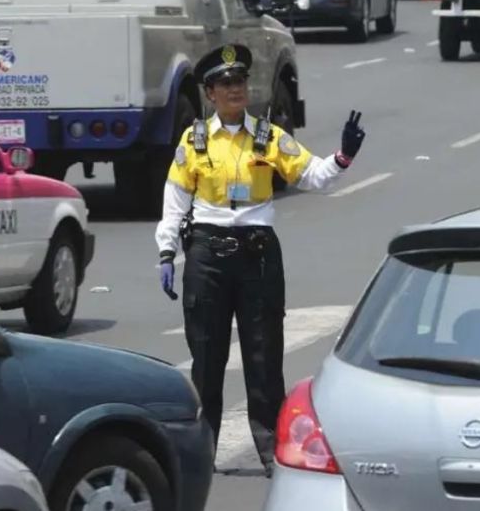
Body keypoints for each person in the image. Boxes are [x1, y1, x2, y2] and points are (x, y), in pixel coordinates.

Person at [154, 43, 365, 477]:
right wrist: (167, 251)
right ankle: (203, 450)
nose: (236, 89)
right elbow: (175, 201)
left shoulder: (268, 136)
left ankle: (271, 451)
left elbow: (313, 176)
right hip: (208, 256)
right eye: (226, 84)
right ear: (210, 93)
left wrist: (343, 157)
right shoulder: (193, 141)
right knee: (207, 358)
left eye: (240, 82)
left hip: (258, 256)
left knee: (265, 357)